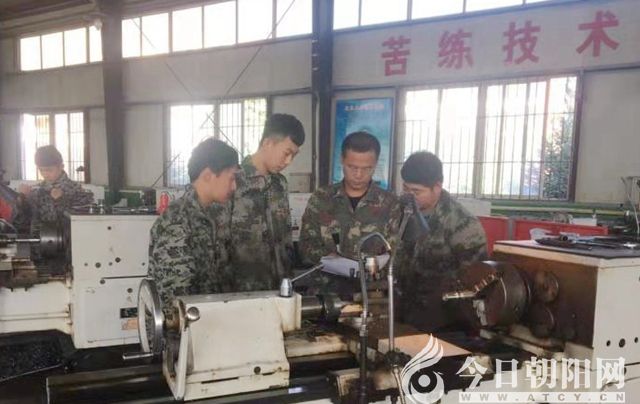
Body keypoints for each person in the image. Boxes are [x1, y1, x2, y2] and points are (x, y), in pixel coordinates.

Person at [396, 151, 488, 331]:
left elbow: (476, 282)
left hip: (445, 322)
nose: (410, 196)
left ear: (437, 187)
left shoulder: (462, 224)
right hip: (402, 313)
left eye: (416, 191)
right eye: (406, 189)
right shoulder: (401, 212)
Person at [148, 138, 239, 311]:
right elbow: (176, 302)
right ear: (208, 175)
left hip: (210, 316)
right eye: (231, 178)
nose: (234, 186)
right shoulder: (177, 222)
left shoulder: (212, 214)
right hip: (187, 324)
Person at [228, 113, 305, 291]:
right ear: (267, 143)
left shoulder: (280, 184)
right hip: (242, 291)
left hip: (280, 288)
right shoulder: (233, 182)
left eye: (293, 156)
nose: (288, 162)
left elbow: (285, 240)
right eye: (286, 153)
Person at [300, 131, 401, 263]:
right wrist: (331, 259)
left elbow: (395, 254)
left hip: (371, 276)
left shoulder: (390, 204)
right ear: (342, 160)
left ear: (376, 164)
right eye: (352, 167)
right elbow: (306, 246)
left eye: (366, 168)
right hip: (328, 275)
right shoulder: (321, 198)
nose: (358, 175)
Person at [13, 145, 93, 235]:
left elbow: (83, 222)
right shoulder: (36, 192)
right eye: (41, 170)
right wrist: (21, 200)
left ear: (61, 166)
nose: (45, 174)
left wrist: (60, 201)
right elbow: (21, 223)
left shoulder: (76, 190)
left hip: (68, 241)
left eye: (49, 170)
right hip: (39, 241)